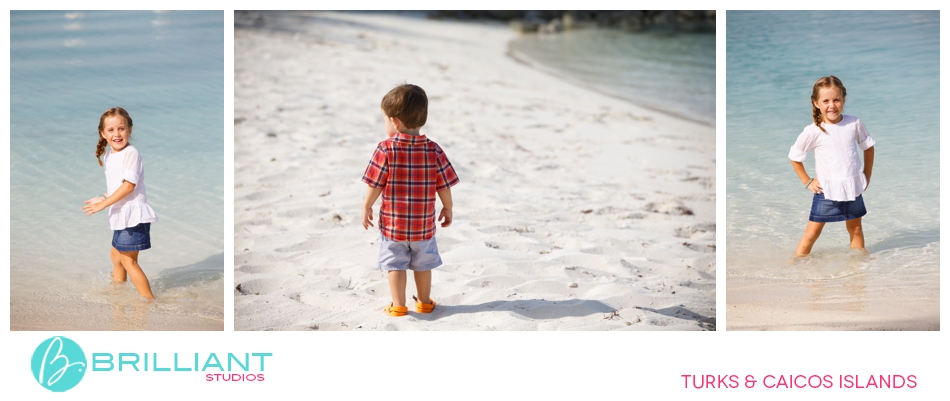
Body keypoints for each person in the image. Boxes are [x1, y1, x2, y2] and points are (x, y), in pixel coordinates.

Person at [361, 84, 459, 317]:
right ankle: (424, 303)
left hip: (393, 226)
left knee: (395, 264)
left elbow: (375, 183)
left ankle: (398, 305)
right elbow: (443, 185)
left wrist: (367, 206)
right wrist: (448, 207)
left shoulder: (385, 149)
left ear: (394, 122)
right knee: (423, 265)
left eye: (385, 120)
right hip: (423, 227)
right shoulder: (433, 150)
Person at [789, 76, 875, 257]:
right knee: (812, 233)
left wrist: (867, 175)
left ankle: (858, 267)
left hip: (852, 187)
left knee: (856, 229)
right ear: (816, 103)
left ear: (843, 99)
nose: (832, 105)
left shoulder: (854, 123)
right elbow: (795, 157)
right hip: (826, 191)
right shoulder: (813, 130)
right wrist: (807, 182)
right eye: (825, 101)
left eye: (836, 100)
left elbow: (868, 147)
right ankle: (795, 265)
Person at [82, 107, 159, 299]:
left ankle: (149, 301)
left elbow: (128, 186)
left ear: (130, 130)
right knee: (116, 257)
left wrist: (103, 205)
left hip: (133, 216)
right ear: (103, 133)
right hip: (120, 215)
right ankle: (118, 294)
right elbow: (117, 186)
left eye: (121, 129)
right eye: (111, 130)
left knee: (128, 261)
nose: (116, 134)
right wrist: (103, 197)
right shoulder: (109, 155)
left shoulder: (131, 153)